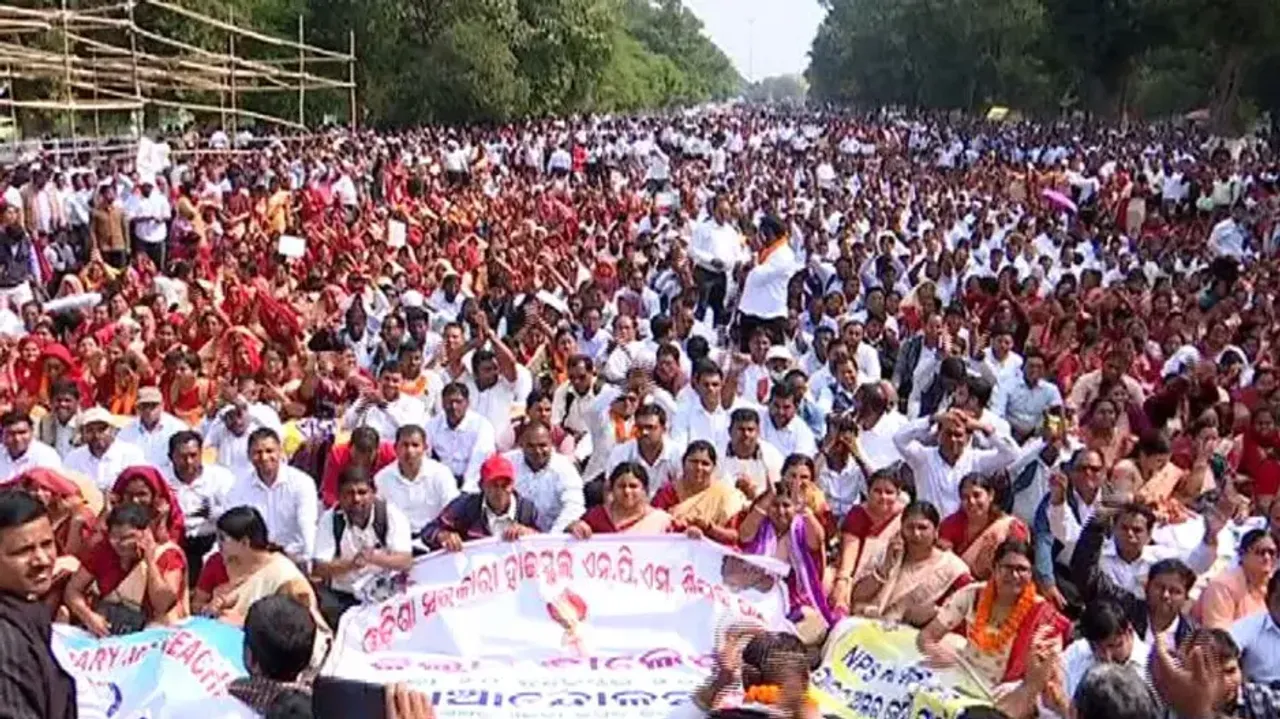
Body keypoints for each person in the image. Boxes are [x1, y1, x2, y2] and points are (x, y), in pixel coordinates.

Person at [918, 539, 1071, 690]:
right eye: (1008, 567)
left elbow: (1046, 674)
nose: (1015, 575)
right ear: (995, 568)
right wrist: (940, 657)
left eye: (1022, 569)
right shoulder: (973, 595)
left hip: (1007, 693)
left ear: (1031, 573)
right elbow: (927, 636)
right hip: (962, 675)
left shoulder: (1042, 615)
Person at [0, 489, 76, 719]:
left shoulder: (29, 613)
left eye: (47, 544)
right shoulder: (5, 638)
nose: (42, 560)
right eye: (23, 551)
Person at [64, 502, 188, 636]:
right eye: (114, 537)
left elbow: (163, 605)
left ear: (145, 533)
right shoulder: (103, 550)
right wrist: (88, 616)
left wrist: (150, 562)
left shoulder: (167, 555)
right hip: (110, 627)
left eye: (128, 537)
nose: (120, 544)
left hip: (154, 631)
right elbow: (73, 590)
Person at [312, 467, 414, 627]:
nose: (356, 499)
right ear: (339, 496)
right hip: (342, 597)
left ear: (373, 493)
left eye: (362, 492)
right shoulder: (330, 520)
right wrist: (351, 565)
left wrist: (375, 558)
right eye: (349, 493)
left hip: (384, 595)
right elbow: (319, 568)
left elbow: (406, 561)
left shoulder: (391, 515)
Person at [848, 500, 971, 627]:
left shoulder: (952, 568)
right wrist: (885, 567)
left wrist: (934, 614)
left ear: (936, 531)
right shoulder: (885, 553)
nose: (916, 534)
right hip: (868, 627)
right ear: (901, 529)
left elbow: (968, 613)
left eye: (922, 528)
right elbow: (857, 596)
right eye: (910, 527)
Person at [739, 480, 831, 636]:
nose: (780, 511)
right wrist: (767, 499)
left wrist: (804, 510)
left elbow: (817, 539)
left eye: (786, 506)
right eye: (775, 505)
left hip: (794, 603)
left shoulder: (802, 529)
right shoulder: (761, 528)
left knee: (809, 622)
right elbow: (744, 535)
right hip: (757, 597)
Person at [223, 428, 319, 567]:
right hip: (255, 561)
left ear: (280, 451)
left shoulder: (302, 482)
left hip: (293, 559)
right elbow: (231, 529)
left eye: (269, 451)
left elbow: (307, 527)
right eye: (257, 453)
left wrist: (309, 561)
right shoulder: (238, 488)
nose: (264, 457)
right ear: (249, 456)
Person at [422, 454, 539, 551]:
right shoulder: (465, 506)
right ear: (481, 485)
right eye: (493, 485)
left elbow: (548, 542)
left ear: (513, 485)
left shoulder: (527, 509)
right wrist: (443, 536)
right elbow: (428, 531)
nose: (499, 491)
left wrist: (530, 534)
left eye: (505, 485)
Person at [829, 469, 907, 615]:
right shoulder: (858, 514)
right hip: (859, 577)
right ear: (868, 492)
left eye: (889, 492)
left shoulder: (904, 517)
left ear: (898, 494)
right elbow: (849, 555)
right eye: (877, 491)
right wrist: (843, 582)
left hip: (891, 577)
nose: (883, 497)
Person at [163, 430, 234, 584]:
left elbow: (232, 515)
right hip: (176, 541)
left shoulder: (220, 477)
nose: (189, 462)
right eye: (182, 457)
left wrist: (213, 513)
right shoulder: (162, 479)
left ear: (201, 454)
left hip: (211, 540)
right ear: (170, 457)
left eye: (193, 455)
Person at [373, 425, 459, 542]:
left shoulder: (441, 473)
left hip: (434, 540)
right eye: (405, 445)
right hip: (396, 543)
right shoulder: (382, 479)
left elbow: (453, 510)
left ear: (425, 448)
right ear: (395, 448)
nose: (410, 451)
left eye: (415, 445)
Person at [652, 440, 747, 545]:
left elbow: (734, 536)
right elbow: (653, 525)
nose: (698, 468)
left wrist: (709, 528)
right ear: (683, 463)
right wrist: (679, 527)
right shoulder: (669, 492)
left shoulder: (725, 495)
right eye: (693, 462)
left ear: (713, 468)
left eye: (705, 464)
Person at [938, 473, 1030, 580]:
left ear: (990, 495)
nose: (971, 502)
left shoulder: (1009, 526)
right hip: (960, 587)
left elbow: (1019, 562)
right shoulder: (950, 525)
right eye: (965, 497)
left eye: (977, 495)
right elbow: (944, 565)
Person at [1061, 599, 1150, 701]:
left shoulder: (1152, 666)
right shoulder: (1077, 652)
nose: (1108, 658)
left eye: (1114, 646)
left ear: (1129, 632)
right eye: (1099, 649)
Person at [1196, 528, 1277, 629]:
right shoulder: (1222, 585)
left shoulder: (1275, 586)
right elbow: (1218, 633)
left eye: (1272, 552)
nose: (1267, 557)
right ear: (1242, 555)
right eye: (1261, 552)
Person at [569, 462, 672, 537]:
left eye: (633, 486)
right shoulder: (598, 515)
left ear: (645, 490)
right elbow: (568, 536)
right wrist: (574, 527)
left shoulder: (661, 520)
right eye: (621, 486)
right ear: (612, 489)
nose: (627, 491)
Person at [63, 406, 146, 491]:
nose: (96, 435)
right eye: (90, 430)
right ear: (82, 433)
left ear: (112, 430)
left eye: (102, 429)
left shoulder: (132, 454)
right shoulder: (73, 458)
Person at [1227, 570, 1280, 685]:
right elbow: (1223, 651)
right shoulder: (1248, 627)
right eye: (1279, 600)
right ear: (1267, 600)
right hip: (1259, 697)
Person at [0, 411, 62, 482]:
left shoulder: (47, 456)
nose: (17, 438)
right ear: (2, 434)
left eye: (22, 432)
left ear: (32, 431)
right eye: (11, 433)